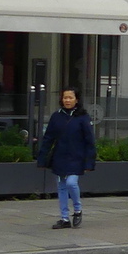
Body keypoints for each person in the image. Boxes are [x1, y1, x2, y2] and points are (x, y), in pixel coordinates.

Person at [37, 87, 95, 230]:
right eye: (65, 98)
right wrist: (42, 159)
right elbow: (48, 138)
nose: (67, 100)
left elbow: (90, 141)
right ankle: (64, 218)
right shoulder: (56, 116)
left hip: (77, 157)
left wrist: (89, 162)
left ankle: (77, 209)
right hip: (60, 156)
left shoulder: (83, 117)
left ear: (77, 99)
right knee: (61, 186)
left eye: (70, 97)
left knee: (71, 183)